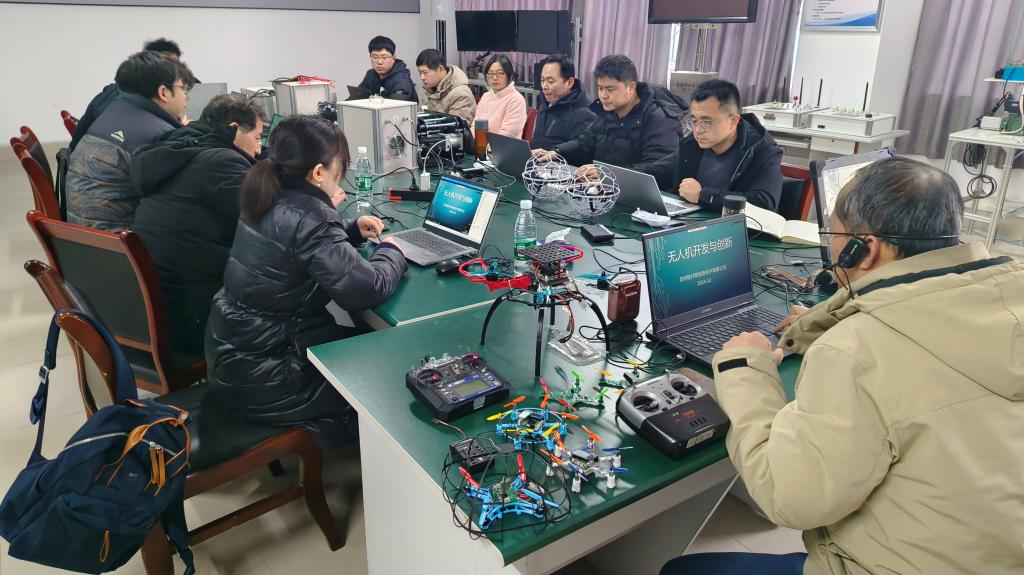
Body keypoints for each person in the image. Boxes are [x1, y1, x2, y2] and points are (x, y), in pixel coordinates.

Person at [663, 158, 1024, 575]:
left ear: (864, 249)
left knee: (681, 571)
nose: (830, 250)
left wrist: (745, 368)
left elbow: (788, 496)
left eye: (832, 236)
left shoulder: (856, 350)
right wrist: (827, 318)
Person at [205, 115, 407, 448]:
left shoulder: (265, 191)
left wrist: (348, 231)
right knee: (396, 367)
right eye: (339, 165)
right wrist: (392, 252)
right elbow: (365, 290)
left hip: (235, 355)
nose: (341, 172)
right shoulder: (312, 215)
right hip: (274, 375)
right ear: (318, 172)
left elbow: (291, 246)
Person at [130, 93, 265, 361]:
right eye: (257, 138)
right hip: (196, 316)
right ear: (234, 129)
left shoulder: (177, 147)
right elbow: (268, 221)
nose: (259, 149)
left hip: (163, 301)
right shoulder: (220, 163)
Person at [66, 51, 194, 231]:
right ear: (163, 92)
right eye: (183, 88)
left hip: (85, 234)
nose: (186, 96)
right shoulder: (158, 135)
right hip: (122, 241)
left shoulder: (113, 112)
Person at [532, 54, 685, 175]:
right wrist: (556, 152)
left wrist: (606, 173)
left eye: (610, 89)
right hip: (606, 189)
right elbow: (585, 143)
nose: (603, 95)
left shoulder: (659, 119)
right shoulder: (608, 111)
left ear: (631, 87)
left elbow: (658, 169)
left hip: (643, 198)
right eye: (600, 88)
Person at [647, 79, 783, 212]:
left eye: (707, 122)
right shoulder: (693, 143)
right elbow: (659, 170)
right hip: (690, 221)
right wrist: (633, 175)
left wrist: (702, 196)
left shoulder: (763, 151)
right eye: (694, 121)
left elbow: (765, 203)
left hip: (732, 225)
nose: (698, 130)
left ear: (733, 121)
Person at [70, 38, 189, 153]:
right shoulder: (158, 134)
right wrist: (184, 132)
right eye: (183, 88)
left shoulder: (120, 104)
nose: (175, 69)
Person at [530, 53, 595, 150]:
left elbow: (582, 150)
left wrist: (553, 153)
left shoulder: (584, 112)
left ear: (569, 82)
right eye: (542, 80)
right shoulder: (546, 101)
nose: (544, 86)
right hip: (534, 158)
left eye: (550, 81)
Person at [416, 49, 477, 126]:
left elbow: (457, 129)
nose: (422, 77)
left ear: (440, 69)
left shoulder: (461, 94)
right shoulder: (429, 89)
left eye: (425, 73)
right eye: (420, 73)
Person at [472, 54, 527, 139]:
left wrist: (484, 145)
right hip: (480, 145)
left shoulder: (516, 100)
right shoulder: (486, 96)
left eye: (500, 73)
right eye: (490, 73)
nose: (494, 77)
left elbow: (506, 136)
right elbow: (474, 127)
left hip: (504, 146)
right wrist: (472, 142)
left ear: (509, 75)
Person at [356, 35, 417, 101]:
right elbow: (356, 97)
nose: (379, 62)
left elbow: (396, 104)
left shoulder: (401, 79)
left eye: (384, 57)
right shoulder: (370, 74)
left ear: (393, 58)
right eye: (375, 57)